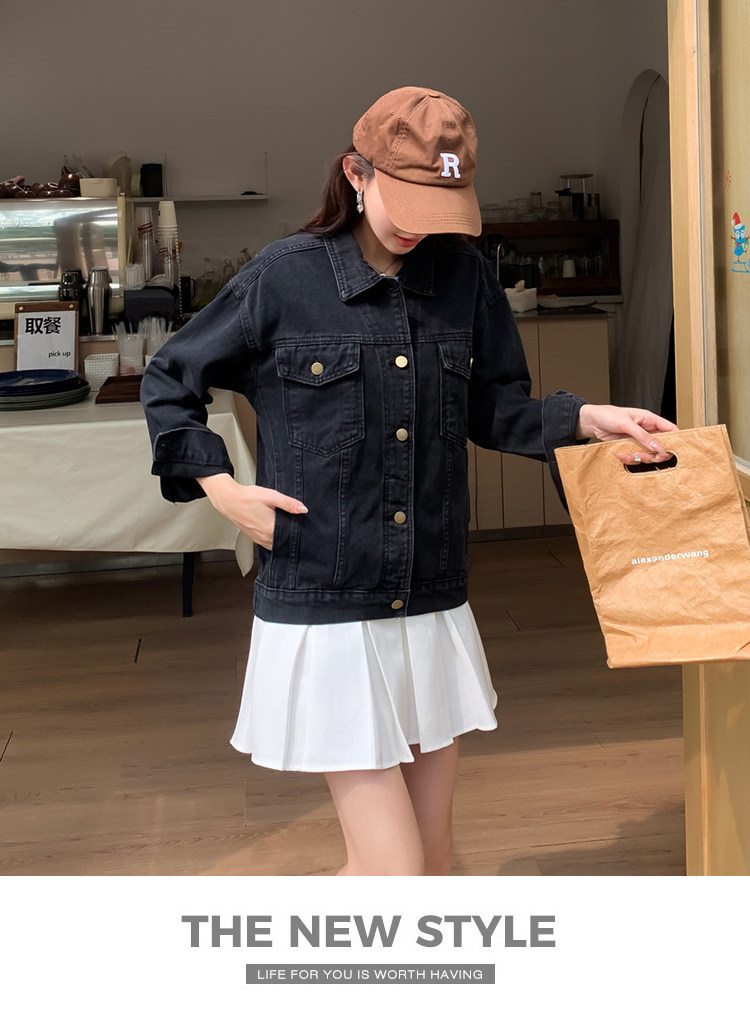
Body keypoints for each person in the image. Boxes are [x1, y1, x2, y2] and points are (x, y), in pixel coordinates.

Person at [141, 86, 678, 876]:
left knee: (427, 859)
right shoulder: (283, 279)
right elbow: (169, 379)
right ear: (356, 174)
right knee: (397, 873)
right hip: (326, 596)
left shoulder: (464, 277)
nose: (422, 227)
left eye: (442, 206)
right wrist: (223, 490)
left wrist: (585, 419)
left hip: (429, 592)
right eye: (409, 201)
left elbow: (493, 408)